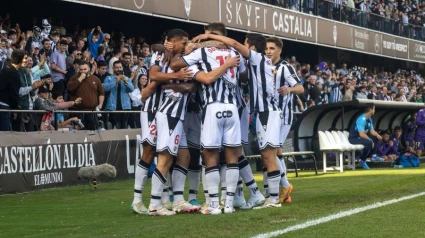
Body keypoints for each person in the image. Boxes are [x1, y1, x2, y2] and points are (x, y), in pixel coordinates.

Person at [189, 32, 283, 209]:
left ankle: (272, 198)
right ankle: (251, 195)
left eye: (245, 44)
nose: (240, 47)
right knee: (253, 153)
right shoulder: (258, 61)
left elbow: (232, 43)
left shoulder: (256, 57)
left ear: (252, 48)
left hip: (266, 111)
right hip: (261, 111)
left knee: (266, 155)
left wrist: (208, 36)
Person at [265, 37, 304, 204]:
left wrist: (289, 89)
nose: (268, 51)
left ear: (279, 51)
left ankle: (285, 185)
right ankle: (284, 189)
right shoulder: (264, 65)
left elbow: (300, 88)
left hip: (283, 116)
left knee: (273, 150)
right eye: (266, 48)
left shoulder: (286, 67)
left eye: (272, 48)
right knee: (276, 151)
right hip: (268, 114)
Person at [67, 60, 105, 130]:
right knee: (80, 133)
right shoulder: (74, 78)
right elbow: (70, 88)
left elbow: (101, 93)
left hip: (92, 111)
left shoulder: (95, 79)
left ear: (89, 69)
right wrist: (80, 79)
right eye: (81, 69)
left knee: (94, 132)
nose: (83, 71)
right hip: (79, 111)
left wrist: (100, 104)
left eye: (85, 69)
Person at [348, 103, 383, 170]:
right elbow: (361, 134)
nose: (374, 110)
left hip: (360, 138)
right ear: (370, 109)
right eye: (374, 109)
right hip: (354, 138)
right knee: (369, 142)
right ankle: (363, 161)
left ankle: (374, 155)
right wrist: (370, 140)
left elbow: (372, 131)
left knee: (375, 138)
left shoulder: (369, 119)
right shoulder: (361, 119)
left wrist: (377, 135)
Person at [103, 61, 134, 129]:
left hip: (125, 107)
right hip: (112, 107)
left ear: (122, 68)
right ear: (113, 68)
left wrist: (125, 81)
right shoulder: (109, 78)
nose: (119, 69)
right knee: (114, 127)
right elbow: (105, 88)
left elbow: (131, 89)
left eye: (120, 67)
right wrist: (115, 81)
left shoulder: (127, 78)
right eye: (116, 68)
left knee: (124, 127)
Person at [0, 49, 25, 131]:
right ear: (21, 60)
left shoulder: (5, 69)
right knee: (5, 134)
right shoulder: (13, 73)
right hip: (5, 106)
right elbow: (14, 93)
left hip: (3, 104)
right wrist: (15, 109)